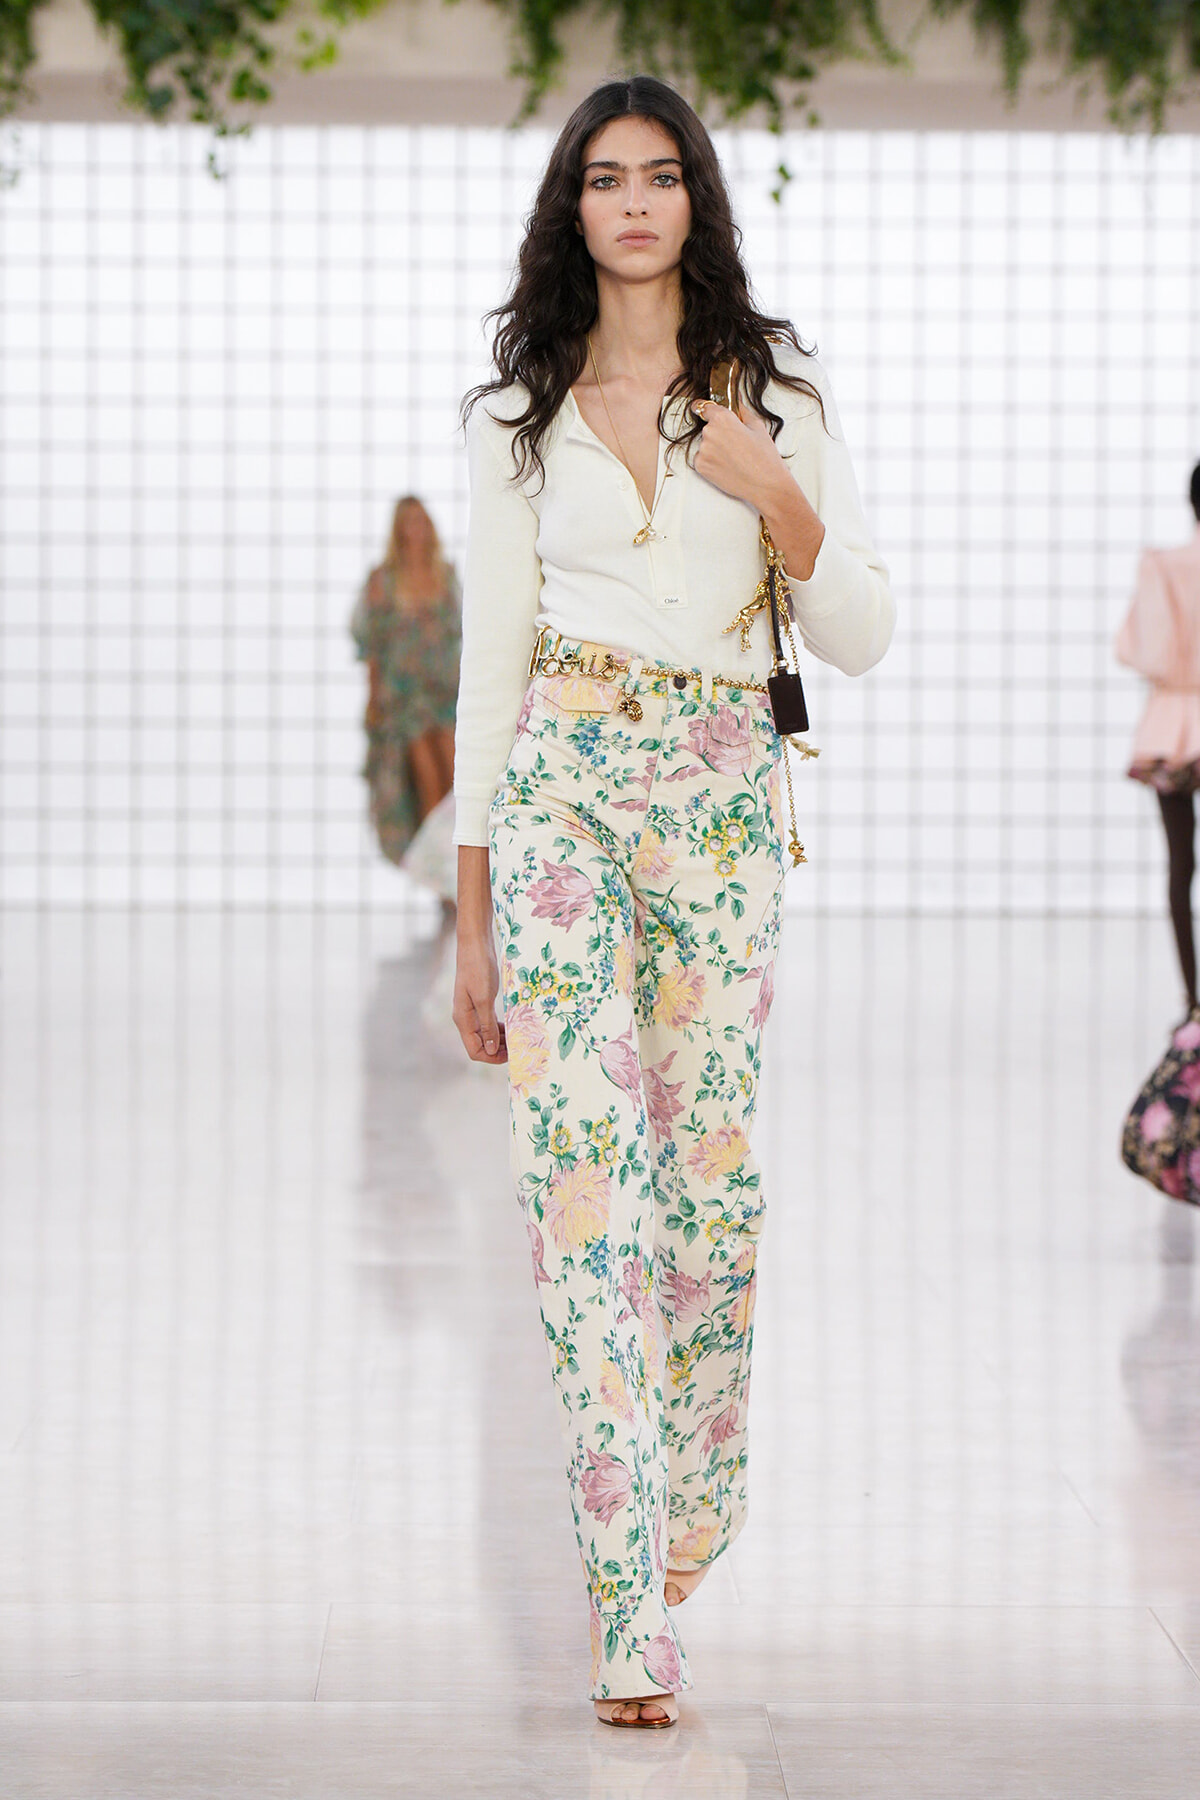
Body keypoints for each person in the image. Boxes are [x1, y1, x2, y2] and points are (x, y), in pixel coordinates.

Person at [451, 76, 893, 1729]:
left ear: (697, 201)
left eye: (658, 178)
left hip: (717, 799)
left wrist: (774, 490)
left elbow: (860, 629)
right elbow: (489, 668)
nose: (631, 204)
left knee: (704, 1199)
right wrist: (474, 916)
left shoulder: (778, 390)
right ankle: (624, 1599)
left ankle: (699, 1484)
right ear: (573, 210)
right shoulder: (519, 412)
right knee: (581, 1190)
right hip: (566, 779)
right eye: (601, 180)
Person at [1116, 463, 1200, 1013]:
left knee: (1179, 867)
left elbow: (1140, 651)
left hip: (1173, 723)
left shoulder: (1166, 566)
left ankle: (1193, 1000)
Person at [350, 495, 460, 867]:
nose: (417, 528)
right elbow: (372, 646)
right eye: (408, 521)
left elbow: (461, 632)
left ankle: (466, 872)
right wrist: (374, 701)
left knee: (458, 779)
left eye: (421, 520)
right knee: (427, 783)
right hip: (405, 699)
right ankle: (442, 875)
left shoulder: (445, 574)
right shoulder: (382, 581)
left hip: (445, 691)